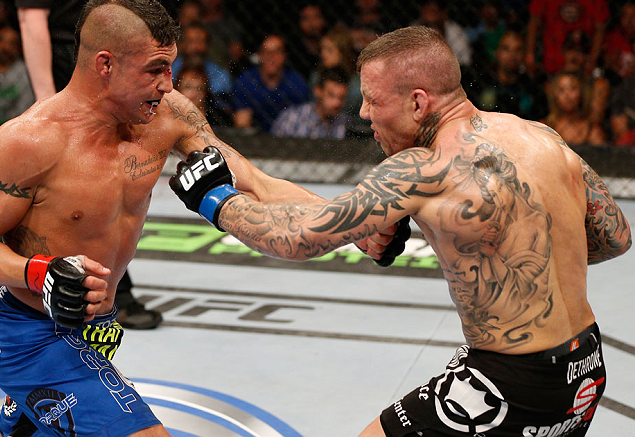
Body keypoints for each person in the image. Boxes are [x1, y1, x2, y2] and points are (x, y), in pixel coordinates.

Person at [171, 26, 632, 436]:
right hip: (585, 369)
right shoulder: (541, 136)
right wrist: (231, 167)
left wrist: (216, 201)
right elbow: (615, 236)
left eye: (373, 99)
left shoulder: (423, 168)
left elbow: (297, 239)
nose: (365, 112)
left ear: (417, 102)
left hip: (511, 382)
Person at [0, 0, 345, 437]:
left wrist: (354, 224)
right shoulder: (29, 141)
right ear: (105, 64)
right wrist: (40, 273)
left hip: (99, 327)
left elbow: (256, 183)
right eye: (154, 69)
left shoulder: (167, 114)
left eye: (169, 67)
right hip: (32, 335)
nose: (168, 84)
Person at [13, 0, 159, 329]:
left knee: (114, 174)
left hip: (112, 64)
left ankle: (108, 289)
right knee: (70, 183)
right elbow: (32, 18)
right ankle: (43, 278)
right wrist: (47, 100)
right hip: (69, 62)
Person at [524, 0, 610, 77]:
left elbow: (600, 29)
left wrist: (592, 59)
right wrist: (530, 56)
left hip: (582, 63)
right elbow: (534, 23)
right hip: (552, 62)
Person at [232, 34, 310, 132]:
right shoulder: (245, 82)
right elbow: (241, 123)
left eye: (277, 52)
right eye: (266, 52)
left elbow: (303, 122)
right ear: (259, 55)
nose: (271, 57)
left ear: (284, 55)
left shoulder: (297, 84)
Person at [464, 30, 548, 121]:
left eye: (518, 50)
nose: (512, 55)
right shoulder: (481, 83)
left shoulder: (532, 88)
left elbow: (542, 120)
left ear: (524, 54)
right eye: (506, 49)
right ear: (497, 52)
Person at [271, 66, 351, 139]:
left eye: (342, 97)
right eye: (331, 95)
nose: (336, 103)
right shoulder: (292, 118)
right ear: (318, 91)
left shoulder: (346, 124)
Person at [542, 71, 604, 146]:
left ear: (581, 93)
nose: (567, 95)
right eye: (562, 90)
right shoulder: (546, 127)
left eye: (572, 88)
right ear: (555, 95)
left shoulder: (592, 130)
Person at [413, 0, 473, 67]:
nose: (428, 16)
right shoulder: (413, 28)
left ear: (443, 13)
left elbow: (464, 61)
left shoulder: (455, 31)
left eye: (432, 12)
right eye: (426, 12)